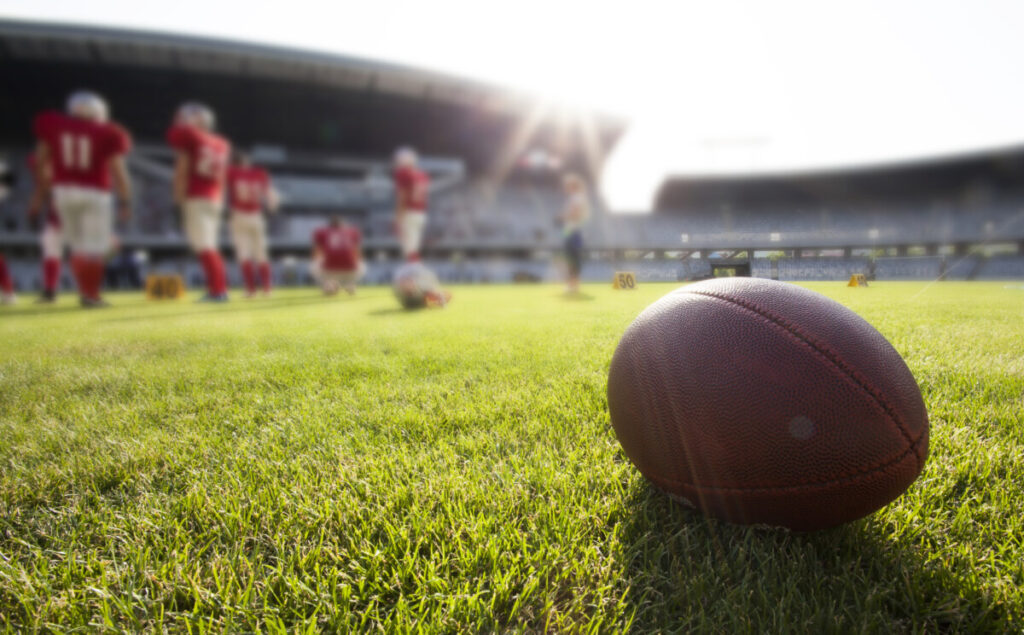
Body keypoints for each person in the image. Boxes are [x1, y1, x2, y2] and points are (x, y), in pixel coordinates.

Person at [32, 90, 132, 308]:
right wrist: (125, 201)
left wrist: (43, 192)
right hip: (95, 191)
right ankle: (90, 294)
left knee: (77, 248)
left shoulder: (54, 125)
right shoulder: (108, 132)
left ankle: (82, 291)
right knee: (93, 249)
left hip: (63, 192)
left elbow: (41, 162)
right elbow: (119, 171)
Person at [167, 102, 231, 302]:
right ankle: (217, 288)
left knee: (204, 246)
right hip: (214, 198)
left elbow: (182, 172)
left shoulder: (192, 138)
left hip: (196, 196)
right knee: (210, 245)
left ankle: (217, 291)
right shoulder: (221, 143)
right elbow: (222, 178)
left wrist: (177, 202)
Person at [226, 152, 277, 297]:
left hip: (239, 215)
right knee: (261, 253)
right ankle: (267, 288)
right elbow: (270, 197)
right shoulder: (259, 173)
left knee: (244, 254)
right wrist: (271, 208)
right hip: (256, 216)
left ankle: (250, 289)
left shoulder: (232, 172)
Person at [27, 151, 63, 303]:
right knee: (50, 249)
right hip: (58, 216)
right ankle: (50, 290)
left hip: (71, 212)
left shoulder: (60, 169)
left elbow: (42, 190)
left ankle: (90, 292)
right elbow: (42, 189)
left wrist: (33, 211)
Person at [392, 147, 429, 262]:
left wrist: (398, 217)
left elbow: (402, 197)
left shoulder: (403, 173)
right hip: (420, 214)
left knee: (409, 251)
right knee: (414, 248)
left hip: (409, 212)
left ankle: (415, 274)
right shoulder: (422, 175)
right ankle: (415, 273)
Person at [311, 216, 364, 296]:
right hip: (351, 271)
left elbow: (317, 252)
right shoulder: (353, 232)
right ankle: (350, 283)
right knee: (361, 263)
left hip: (329, 270)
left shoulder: (322, 232)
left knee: (314, 264)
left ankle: (329, 283)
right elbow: (357, 253)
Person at [559, 173, 590, 295]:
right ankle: (572, 284)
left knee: (572, 259)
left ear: (573, 186)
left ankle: (573, 285)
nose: (566, 187)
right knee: (571, 259)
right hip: (570, 231)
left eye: (568, 185)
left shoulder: (577, 198)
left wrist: (563, 216)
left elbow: (576, 214)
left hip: (573, 232)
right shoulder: (576, 198)